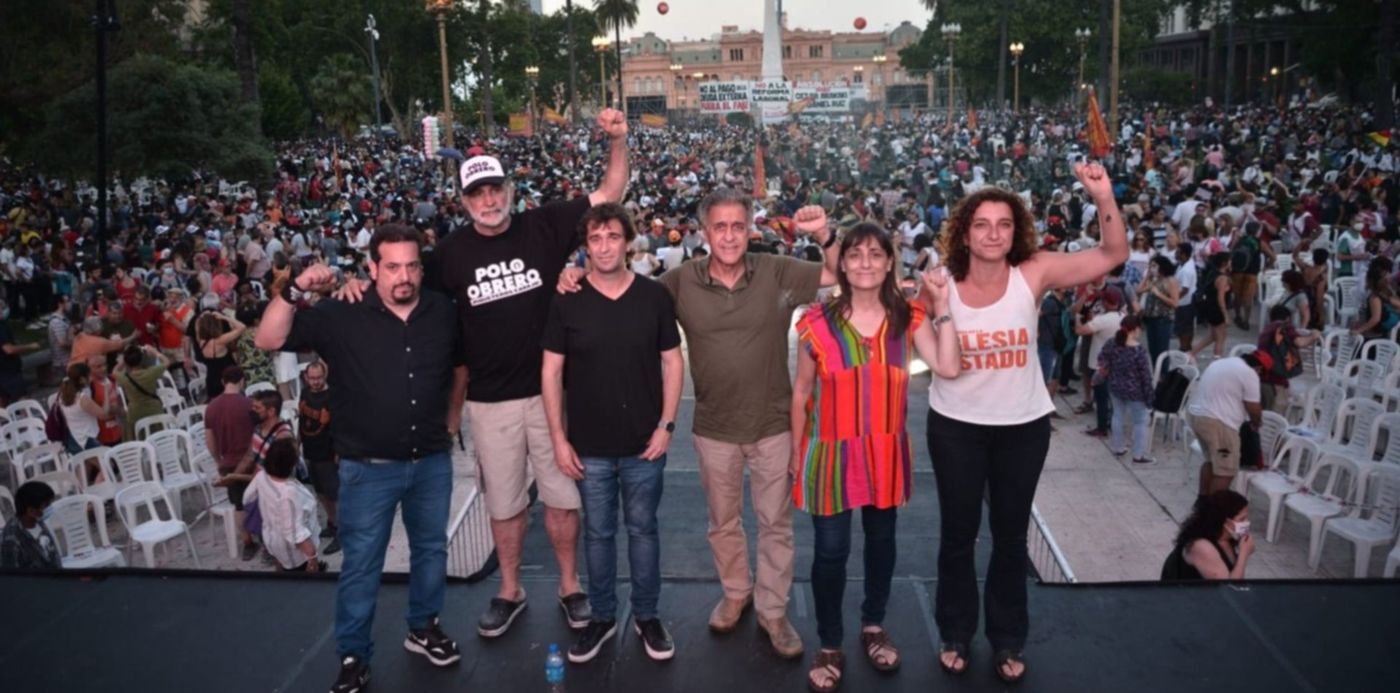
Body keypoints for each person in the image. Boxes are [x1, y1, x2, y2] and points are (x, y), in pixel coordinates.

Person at [409, 108, 629, 640]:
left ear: (510, 189)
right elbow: (405, 289)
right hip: (490, 401)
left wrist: (619, 139)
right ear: (463, 202)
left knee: (561, 497)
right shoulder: (449, 255)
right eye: (476, 194)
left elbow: (610, 190)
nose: (488, 201)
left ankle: (570, 585)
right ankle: (509, 589)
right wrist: (348, 287)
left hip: (552, 396)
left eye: (495, 189)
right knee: (505, 504)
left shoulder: (545, 225)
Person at [926, 163, 1127, 684]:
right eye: (982, 224)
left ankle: (1008, 639)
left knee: (1011, 538)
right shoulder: (939, 282)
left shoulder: (1033, 272)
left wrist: (1102, 195)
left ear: (1017, 232)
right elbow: (878, 300)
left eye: (1004, 224)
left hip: (1022, 427)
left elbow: (1112, 254)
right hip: (956, 427)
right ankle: (954, 632)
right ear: (964, 233)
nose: (993, 234)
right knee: (957, 535)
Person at [256, 224, 468, 693]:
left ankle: (424, 627)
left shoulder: (441, 312)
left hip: (431, 460)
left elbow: (459, 367)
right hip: (366, 469)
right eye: (392, 266)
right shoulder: (341, 312)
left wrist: (452, 422)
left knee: (431, 553)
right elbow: (268, 341)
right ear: (371, 268)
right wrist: (293, 289)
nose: (403, 275)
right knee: (361, 566)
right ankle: (353, 654)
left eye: (412, 265)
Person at [640, 191, 839, 660]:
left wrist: (826, 235)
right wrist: (575, 276)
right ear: (704, 232)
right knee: (723, 523)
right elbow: (628, 300)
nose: (728, 235)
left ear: (749, 228)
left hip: (772, 424)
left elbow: (840, 271)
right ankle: (736, 593)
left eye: (736, 226)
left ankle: (773, 610)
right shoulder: (679, 282)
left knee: (775, 524)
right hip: (713, 426)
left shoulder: (776, 271)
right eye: (719, 227)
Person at [788, 222, 961, 692]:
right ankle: (829, 641)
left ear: (889, 262)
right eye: (855, 254)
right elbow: (802, 389)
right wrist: (794, 454)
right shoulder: (815, 323)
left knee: (881, 543)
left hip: (885, 451)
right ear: (841, 263)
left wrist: (942, 308)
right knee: (831, 552)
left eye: (875, 254)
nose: (865, 262)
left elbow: (948, 367)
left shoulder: (909, 318)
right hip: (829, 454)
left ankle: (872, 624)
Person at [540, 204, 684, 664]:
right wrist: (559, 439)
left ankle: (646, 616)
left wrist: (666, 426)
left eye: (613, 237)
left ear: (628, 241)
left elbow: (673, 361)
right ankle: (602, 617)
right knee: (599, 535)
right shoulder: (567, 298)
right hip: (589, 447)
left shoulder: (654, 296)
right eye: (595, 239)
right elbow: (550, 371)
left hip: (645, 444)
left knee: (643, 532)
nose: (604, 247)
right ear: (586, 245)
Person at [1186, 352, 1270, 497]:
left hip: (1198, 417)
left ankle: (1202, 505)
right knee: (1226, 471)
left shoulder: (1220, 363)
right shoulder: (1249, 374)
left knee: (1212, 462)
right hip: (1219, 425)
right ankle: (1214, 512)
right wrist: (1257, 423)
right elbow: (1253, 407)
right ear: (1259, 368)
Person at [244, 437, 324, 573]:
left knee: (282, 566)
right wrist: (313, 558)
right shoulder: (288, 493)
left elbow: (247, 499)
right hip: (296, 555)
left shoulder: (262, 476)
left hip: (273, 540)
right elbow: (295, 533)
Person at [206, 366, 259, 559]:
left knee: (238, 505)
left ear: (222, 382)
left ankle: (248, 542)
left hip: (227, 462)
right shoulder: (249, 404)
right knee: (261, 501)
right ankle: (269, 545)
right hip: (252, 460)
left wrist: (218, 459)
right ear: (242, 381)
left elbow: (210, 440)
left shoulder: (212, 407)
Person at [1160, 490, 1254, 580]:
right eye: (1241, 519)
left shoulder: (1227, 538)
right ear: (1225, 522)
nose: (1247, 522)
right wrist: (1243, 554)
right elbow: (1228, 588)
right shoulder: (1202, 547)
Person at [1098, 315, 1154, 464]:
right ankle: (1138, 454)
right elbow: (1145, 377)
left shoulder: (1112, 344)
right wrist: (1150, 397)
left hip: (1115, 386)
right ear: (1135, 330)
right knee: (1140, 422)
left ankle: (1118, 447)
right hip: (1135, 392)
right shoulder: (1139, 351)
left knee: (1117, 415)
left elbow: (1102, 359)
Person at [298, 360, 340, 554]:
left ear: (325, 376)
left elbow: (341, 426)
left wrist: (339, 452)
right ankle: (332, 523)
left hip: (328, 452)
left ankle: (342, 531)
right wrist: (297, 442)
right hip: (310, 450)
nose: (315, 382)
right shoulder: (305, 393)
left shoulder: (332, 396)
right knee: (321, 493)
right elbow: (302, 419)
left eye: (319, 378)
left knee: (334, 493)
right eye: (312, 378)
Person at [1074, 286, 1125, 438]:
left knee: (1101, 398)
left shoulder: (1103, 320)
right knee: (1113, 397)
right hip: (1117, 362)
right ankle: (1112, 423)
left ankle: (1102, 428)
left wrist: (1078, 318)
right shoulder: (1123, 317)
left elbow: (1080, 331)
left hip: (1099, 365)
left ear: (1107, 302)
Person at [1257, 304, 1321, 413]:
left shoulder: (1266, 330)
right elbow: (1300, 342)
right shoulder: (1285, 326)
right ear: (1287, 318)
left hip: (1262, 379)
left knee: (1264, 414)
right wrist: (1314, 336)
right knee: (1275, 416)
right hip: (1276, 380)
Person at [0, 481, 62, 570]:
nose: (50, 508)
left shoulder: (38, 522)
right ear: (31, 511)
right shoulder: (12, 539)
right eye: (46, 505)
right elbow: (13, 577)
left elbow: (53, 556)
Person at [114, 344, 168, 441]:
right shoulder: (151, 372)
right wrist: (155, 352)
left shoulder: (124, 378)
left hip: (135, 412)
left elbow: (114, 371)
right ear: (142, 360)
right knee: (158, 439)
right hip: (154, 409)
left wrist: (123, 360)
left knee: (138, 440)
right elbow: (166, 362)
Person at [57, 362, 111, 454]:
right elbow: (104, 415)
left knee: (85, 467)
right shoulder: (82, 399)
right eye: (89, 376)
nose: (91, 378)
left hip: (74, 438)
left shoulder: (62, 395)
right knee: (108, 465)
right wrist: (106, 392)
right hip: (87, 440)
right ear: (82, 379)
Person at [1136, 255, 1179, 368]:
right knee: (1153, 350)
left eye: (1154, 266)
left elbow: (1175, 303)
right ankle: (1157, 373)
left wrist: (1159, 295)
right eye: (1150, 266)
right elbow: (1139, 290)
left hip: (1163, 319)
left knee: (1162, 350)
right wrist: (1147, 277)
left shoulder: (1170, 281)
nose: (1151, 268)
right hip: (1150, 319)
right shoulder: (1155, 281)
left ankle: (1163, 376)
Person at [194, 311, 246, 402]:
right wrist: (224, 317)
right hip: (227, 379)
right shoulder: (220, 341)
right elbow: (242, 327)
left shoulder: (201, 341)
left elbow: (197, 327)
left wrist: (201, 318)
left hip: (211, 379)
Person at [1190, 252, 1232, 361]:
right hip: (1217, 310)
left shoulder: (1212, 273)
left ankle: (1192, 353)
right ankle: (1217, 359)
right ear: (1225, 263)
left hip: (1209, 308)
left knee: (1213, 335)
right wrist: (1225, 315)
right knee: (1220, 337)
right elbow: (1221, 298)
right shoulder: (1222, 278)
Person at [0, 317, 40, 406]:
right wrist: (30, 346)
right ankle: (26, 419)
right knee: (23, 403)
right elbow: (8, 349)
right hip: (8, 371)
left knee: (3, 402)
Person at [1172, 245, 1197, 351]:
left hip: (1185, 301)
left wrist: (1175, 299)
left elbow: (1185, 289)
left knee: (1184, 326)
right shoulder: (1182, 265)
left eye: (1178, 252)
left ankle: (1184, 346)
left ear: (1183, 254)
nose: (1175, 254)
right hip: (1185, 300)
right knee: (1185, 325)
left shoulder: (1186, 270)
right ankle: (1186, 346)